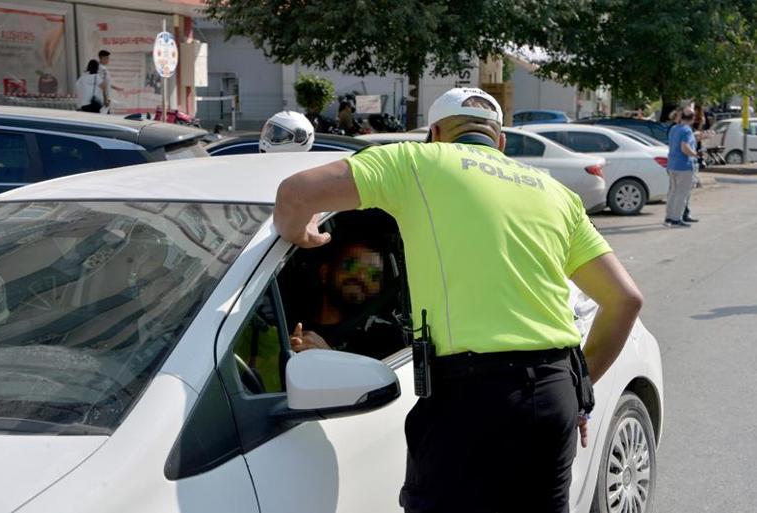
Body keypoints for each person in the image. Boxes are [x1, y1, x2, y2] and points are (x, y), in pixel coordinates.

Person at [273, 87, 643, 512]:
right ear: (500, 140)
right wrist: (580, 390)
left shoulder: (415, 162)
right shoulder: (554, 192)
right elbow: (625, 300)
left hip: (469, 398)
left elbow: (295, 195)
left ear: (434, 133)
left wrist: (301, 234)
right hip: (553, 393)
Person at [289, 239, 407, 360]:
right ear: (325, 272)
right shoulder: (291, 323)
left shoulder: (384, 334)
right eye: (352, 265)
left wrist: (328, 355)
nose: (362, 277)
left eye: (373, 275)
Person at [665, 107, 698, 227]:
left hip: (672, 165)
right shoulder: (687, 130)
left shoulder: (674, 128)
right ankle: (676, 219)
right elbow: (684, 147)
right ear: (692, 118)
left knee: (673, 192)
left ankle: (669, 217)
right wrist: (695, 154)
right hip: (684, 166)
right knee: (682, 194)